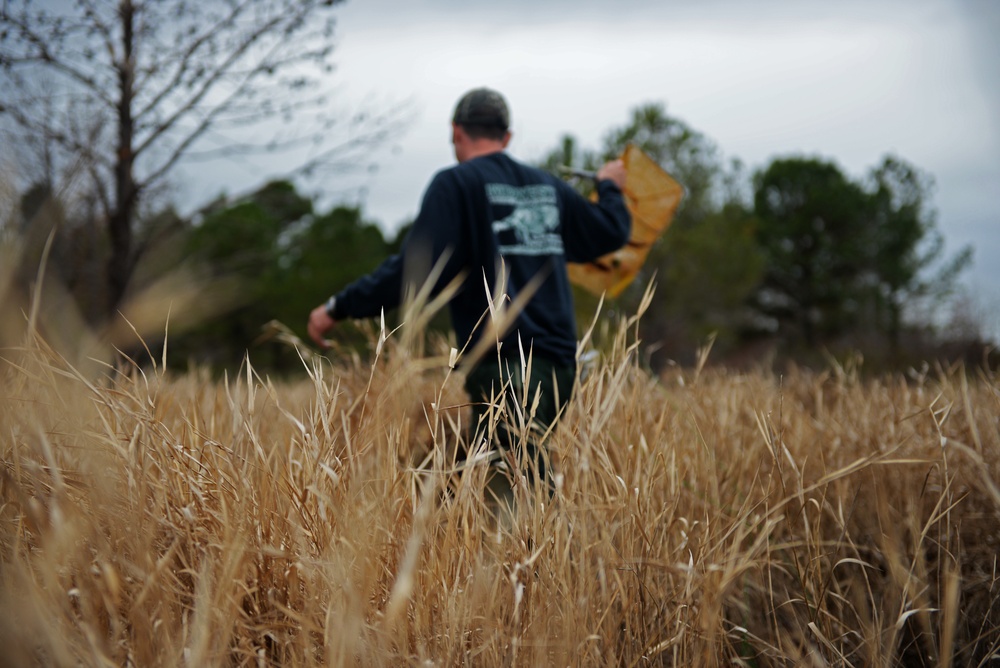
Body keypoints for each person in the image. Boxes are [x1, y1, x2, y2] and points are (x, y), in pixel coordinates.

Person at [308, 87, 630, 488]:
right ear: (507, 137)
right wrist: (610, 186)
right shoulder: (547, 187)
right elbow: (611, 232)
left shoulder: (455, 185)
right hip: (562, 367)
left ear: (456, 132)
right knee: (476, 481)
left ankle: (535, 548)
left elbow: (414, 272)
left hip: (505, 366)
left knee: (517, 492)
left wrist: (339, 306)